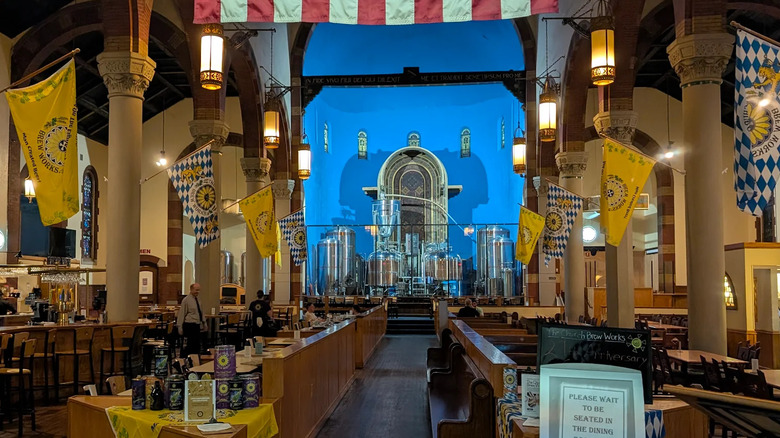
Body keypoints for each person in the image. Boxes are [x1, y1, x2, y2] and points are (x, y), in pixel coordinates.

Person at [177, 283, 207, 356]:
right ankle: (188, 359)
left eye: (199, 290)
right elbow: (182, 314)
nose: (198, 292)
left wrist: (204, 323)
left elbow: (201, 311)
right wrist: (179, 326)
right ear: (191, 289)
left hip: (197, 324)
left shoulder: (198, 299)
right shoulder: (186, 300)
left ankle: (196, 359)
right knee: (190, 345)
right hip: (189, 325)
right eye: (196, 290)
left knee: (197, 345)